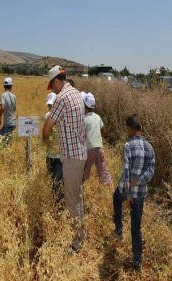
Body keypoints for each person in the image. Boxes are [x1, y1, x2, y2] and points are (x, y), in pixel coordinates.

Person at [42, 65, 87, 253]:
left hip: (71, 157)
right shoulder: (76, 93)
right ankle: (80, 233)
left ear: (56, 81)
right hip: (80, 153)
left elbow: (48, 125)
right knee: (77, 197)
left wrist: (44, 138)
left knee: (71, 201)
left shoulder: (61, 98)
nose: (52, 90)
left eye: (51, 86)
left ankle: (76, 243)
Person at [112, 114, 155, 271]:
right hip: (141, 193)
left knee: (117, 197)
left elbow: (126, 171)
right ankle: (137, 262)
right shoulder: (150, 147)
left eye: (127, 129)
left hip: (128, 190)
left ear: (130, 129)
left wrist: (129, 192)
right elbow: (151, 171)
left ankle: (118, 229)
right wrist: (139, 181)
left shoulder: (128, 146)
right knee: (136, 227)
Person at [81, 93, 112, 186]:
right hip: (99, 148)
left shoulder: (84, 118)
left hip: (89, 149)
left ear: (84, 105)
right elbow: (104, 131)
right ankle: (109, 190)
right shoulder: (97, 117)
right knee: (103, 171)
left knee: (83, 173)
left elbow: (81, 135)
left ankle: (79, 190)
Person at [44, 92, 64, 207]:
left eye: (53, 105)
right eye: (50, 106)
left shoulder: (54, 116)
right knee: (54, 179)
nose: (51, 108)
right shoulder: (49, 116)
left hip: (57, 156)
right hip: (52, 154)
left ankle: (58, 204)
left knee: (56, 180)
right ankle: (56, 202)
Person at [0, 77, 17, 144]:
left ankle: (8, 154)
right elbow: (14, 109)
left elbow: (2, 108)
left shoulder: (3, 95)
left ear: (4, 86)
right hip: (12, 122)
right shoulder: (14, 96)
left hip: (8, 123)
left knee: (6, 143)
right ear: (11, 86)